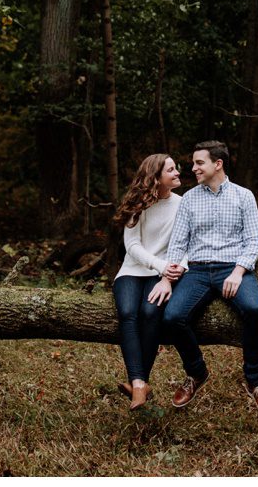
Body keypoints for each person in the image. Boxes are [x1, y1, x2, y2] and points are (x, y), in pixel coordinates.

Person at [162, 140, 258, 415]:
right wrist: (168, 276)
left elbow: (254, 240)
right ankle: (196, 372)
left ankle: (255, 381)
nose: (193, 168)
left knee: (253, 309)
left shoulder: (243, 196)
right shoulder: (189, 198)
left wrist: (238, 272)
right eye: (193, 163)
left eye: (199, 163)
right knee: (172, 317)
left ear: (218, 164)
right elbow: (178, 243)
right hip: (198, 271)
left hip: (233, 268)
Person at [111, 153, 184, 410]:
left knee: (150, 313)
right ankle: (140, 384)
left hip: (163, 275)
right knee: (128, 312)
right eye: (171, 170)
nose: (177, 173)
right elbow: (131, 245)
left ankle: (138, 384)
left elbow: (188, 244)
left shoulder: (183, 204)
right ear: (156, 177)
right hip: (132, 270)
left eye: (176, 168)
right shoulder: (137, 204)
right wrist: (159, 264)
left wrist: (168, 273)